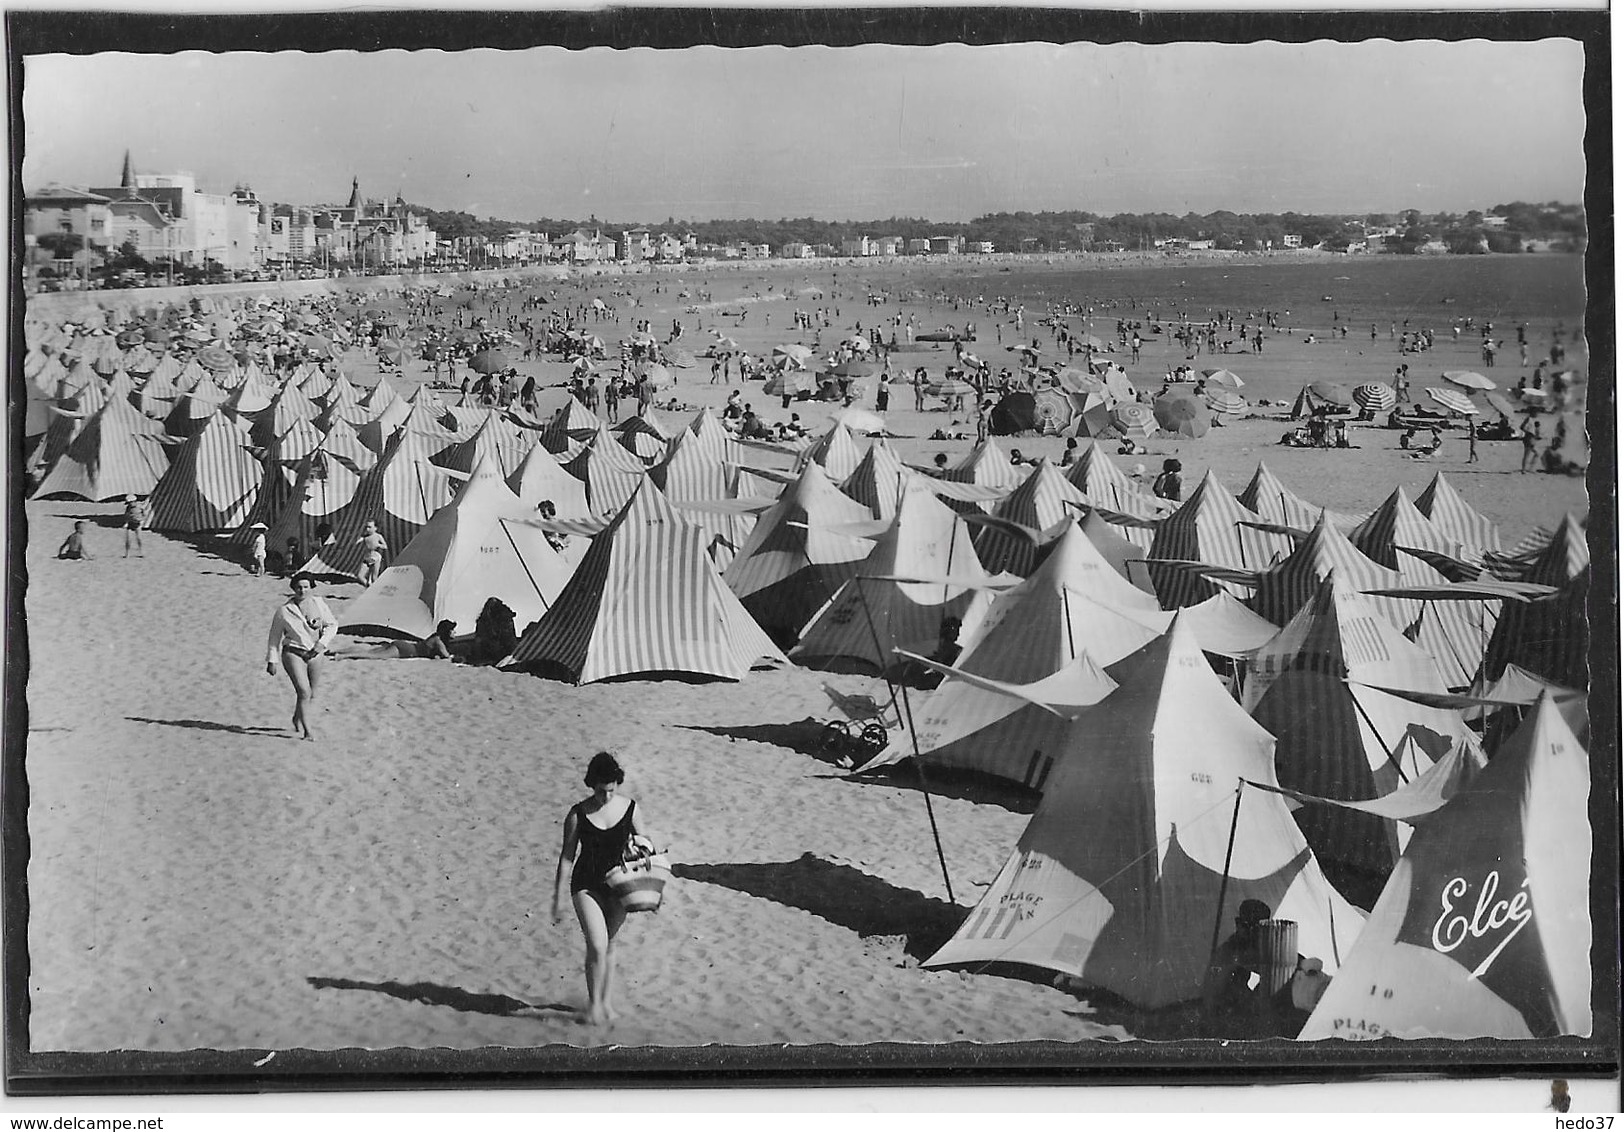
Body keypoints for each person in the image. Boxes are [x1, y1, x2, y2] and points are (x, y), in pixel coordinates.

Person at [552, 751, 652, 1027]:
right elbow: (566, 858)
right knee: (597, 944)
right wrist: (558, 898)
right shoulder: (578, 814)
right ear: (591, 784)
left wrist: (643, 858)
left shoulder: (631, 808)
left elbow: (646, 847)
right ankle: (593, 1007)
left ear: (617, 784)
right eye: (599, 790)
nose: (605, 797)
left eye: (610, 790)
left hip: (620, 886)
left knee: (609, 944)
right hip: (586, 885)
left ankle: (605, 1003)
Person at [265, 571, 338, 741]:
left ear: (312, 587)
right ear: (293, 588)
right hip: (293, 652)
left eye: (306, 587)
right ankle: (308, 731)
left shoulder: (319, 603)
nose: (302, 591)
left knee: (310, 693)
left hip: (315, 653)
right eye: (298, 587)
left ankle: (297, 718)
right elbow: (274, 637)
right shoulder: (284, 610)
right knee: (303, 691)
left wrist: (322, 643)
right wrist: (272, 661)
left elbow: (332, 624)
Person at [333, 620, 456, 660]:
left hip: (406, 646)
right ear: (447, 632)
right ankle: (342, 656)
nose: (455, 632)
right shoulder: (439, 642)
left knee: (371, 650)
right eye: (452, 630)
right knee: (373, 656)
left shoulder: (435, 637)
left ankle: (339, 651)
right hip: (406, 650)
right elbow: (446, 656)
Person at [355, 519, 388, 586]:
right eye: (366, 527)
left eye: (370, 527)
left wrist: (378, 545)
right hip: (367, 557)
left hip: (375, 557)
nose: (367, 529)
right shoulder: (365, 536)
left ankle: (374, 590)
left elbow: (385, 546)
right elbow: (357, 542)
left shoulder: (378, 536)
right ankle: (368, 586)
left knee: (374, 578)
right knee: (360, 576)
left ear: (375, 528)